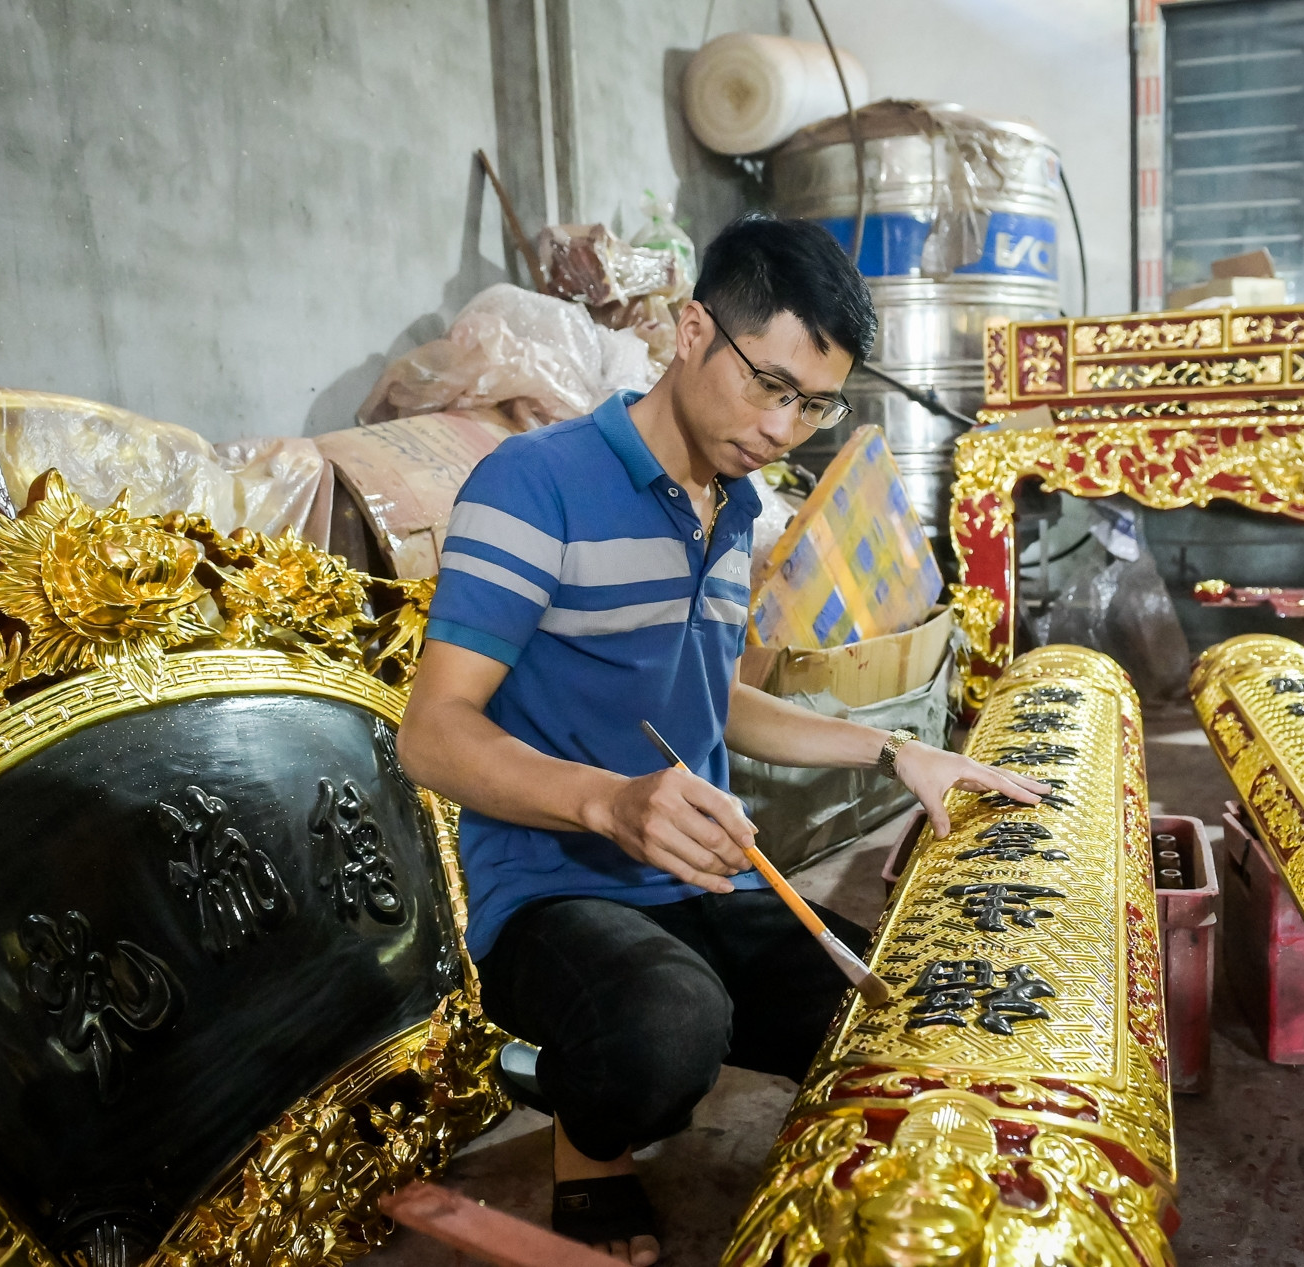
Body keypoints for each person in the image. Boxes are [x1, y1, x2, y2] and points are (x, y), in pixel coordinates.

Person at [397, 213, 1048, 1263]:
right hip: (551, 890)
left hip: (707, 875)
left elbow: (716, 699)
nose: (784, 426)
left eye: (814, 405)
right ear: (692, 329)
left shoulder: (736, 508)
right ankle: (576, 1127)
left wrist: (895, 751)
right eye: (768, 385)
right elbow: (431, 737)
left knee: (883, 1008)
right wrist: (610, 802)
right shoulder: (535, 482)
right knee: (665, 1035)